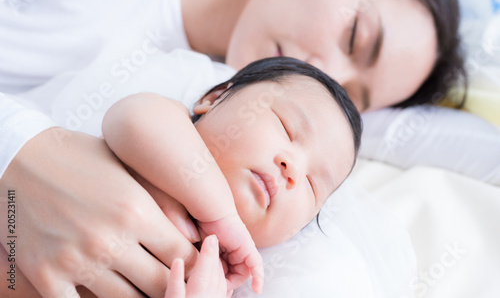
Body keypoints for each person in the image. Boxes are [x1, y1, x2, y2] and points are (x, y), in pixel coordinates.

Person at [0, 0, 462, 296]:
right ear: (213, 97)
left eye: (354, 94)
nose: (321, 70)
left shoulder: (228, 261)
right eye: (354, 36)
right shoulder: (183, 109)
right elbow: (133, 120)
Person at [1, 57, 363, 297]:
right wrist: (221, 215)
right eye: (285, 127)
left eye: (313, 186)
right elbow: (129, 119)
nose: (293, 168)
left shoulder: (215, 279)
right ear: (215, 97)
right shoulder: (172, 130)